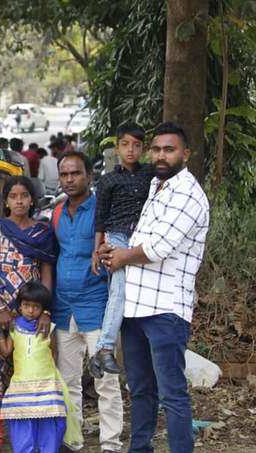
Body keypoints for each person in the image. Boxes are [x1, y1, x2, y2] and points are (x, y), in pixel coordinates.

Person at [98, 122, 209, 453]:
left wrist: (121, 257)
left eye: (169, 149)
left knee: (172, 393)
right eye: (157, 149)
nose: (161, 155)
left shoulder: (188, 194)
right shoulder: (156, 186)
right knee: (141, 389)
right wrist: (112, 251)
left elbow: (159, 248)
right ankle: (140, 449)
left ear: (185, 154)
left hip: (165, 312)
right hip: (135, 308)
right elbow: (139, 240)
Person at [0, 176, 57, 453]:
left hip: (31, 318)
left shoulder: (42, 233)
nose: (19, 201)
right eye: (13, 196)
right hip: (0, 316)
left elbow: (46, 274)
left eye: (24, 195)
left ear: (32, 200)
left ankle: (30, 439)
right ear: (5, 201)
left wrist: (44, 311)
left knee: (29, 376)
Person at [52, 151, 123, 453]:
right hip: (63, 307)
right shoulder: (56, 212)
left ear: (88, 176)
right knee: (68, 381)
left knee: (105, 380)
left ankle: (110, 444)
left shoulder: (102, 211)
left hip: (96, 306)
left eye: (75, 173)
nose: (69, 180)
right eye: (64, 174)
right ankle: (73, 440)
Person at [88, 122, 153, 378]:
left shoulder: (150, 174)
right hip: (116, 239)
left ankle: (100, 354)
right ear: (117, 147)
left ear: (143, 149)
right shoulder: (108, 180)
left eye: (137, 145)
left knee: (125, 294)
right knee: (119, 292)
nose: (130, 150)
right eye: (125, 144)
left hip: (141, 239)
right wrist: (96, 250)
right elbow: (100, 218)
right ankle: (104, 348)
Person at [0, 281, 82, 453]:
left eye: (35, 307)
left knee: (50, 422)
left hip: (47, 385)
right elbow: (6, 351)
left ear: (43, 308)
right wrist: (2, 332)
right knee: (22, 424)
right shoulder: (14, 327)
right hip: (21, 386)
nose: (30, 310)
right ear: (20, 306)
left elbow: (54, 354)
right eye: (26, 305)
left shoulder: (48, 328)